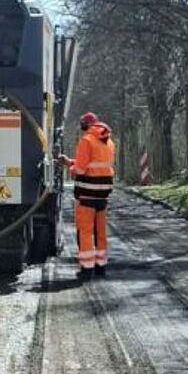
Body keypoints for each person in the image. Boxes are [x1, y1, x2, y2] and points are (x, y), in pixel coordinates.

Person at [59, 112, 115, 278]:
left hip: (87, 194)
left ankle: (87, 268)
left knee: (85, 232)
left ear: (87, 124)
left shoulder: (86, 141)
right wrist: (70, 162)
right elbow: (95, 165)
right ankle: (100, 266)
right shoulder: (109, 142)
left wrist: (71, 168)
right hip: (102, 195)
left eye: (82, 124)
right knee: (100, 232)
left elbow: (81, 170)